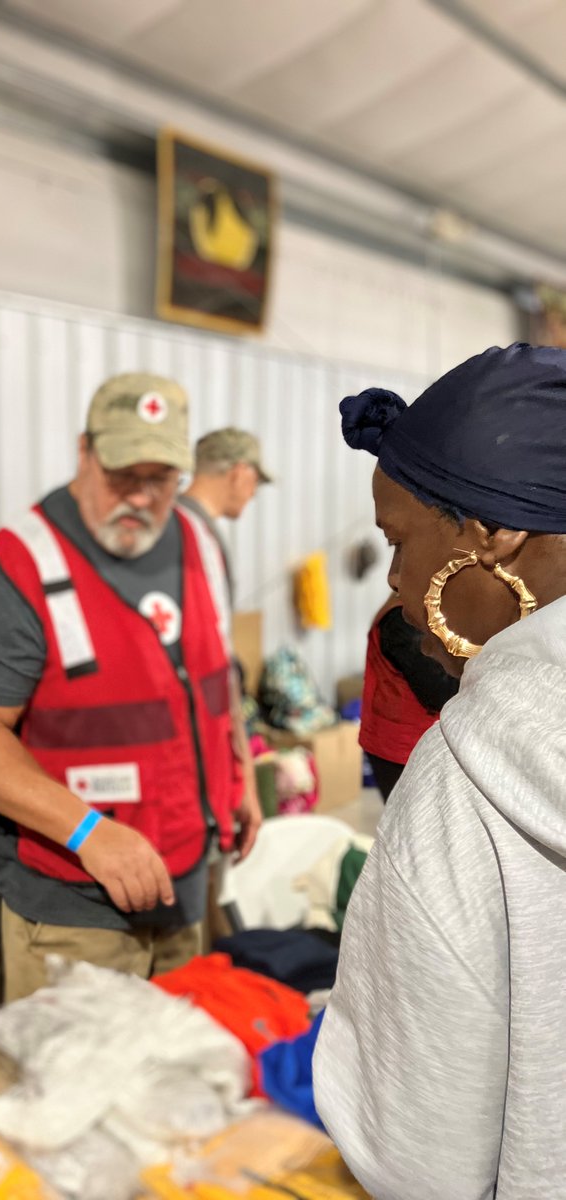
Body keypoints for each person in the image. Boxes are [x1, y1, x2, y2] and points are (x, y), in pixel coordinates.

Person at [313, 343, 566, 1199]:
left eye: (398, 540)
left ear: (494, 535)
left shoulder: (465, 785)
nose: (395, 579)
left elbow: (417, 1153)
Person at [0, 373, 262, 1002]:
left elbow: (214, 674)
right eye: (122, 474)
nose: (139, 496)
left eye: (160, 479)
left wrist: (240, 769)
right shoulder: (16, 568)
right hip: (74, 901)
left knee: (173, 1058)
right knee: (78, 1064)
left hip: (183, 878)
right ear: (84, 453)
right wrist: (88, 832)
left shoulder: (200, 543)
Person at [359, 593, 459, 800]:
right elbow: (438, 691)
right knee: (416, 815)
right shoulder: (402, 619)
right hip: (400, 748)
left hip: (405, 743)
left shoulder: (415, 610)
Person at [177, 427, 271, 608]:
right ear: (238, 474)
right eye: (256, 481)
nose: (253, 493)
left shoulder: (179, 522)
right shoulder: (191, 531)